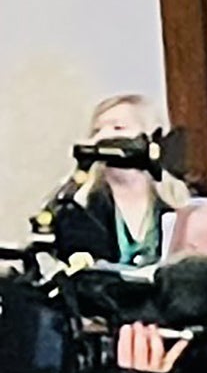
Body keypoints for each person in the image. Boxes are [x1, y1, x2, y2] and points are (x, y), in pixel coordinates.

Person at [35, 100, 194, 270]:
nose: (103, 137)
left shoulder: (181, 207)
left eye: (118, 128)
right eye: (97, 131)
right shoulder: (77, 209)